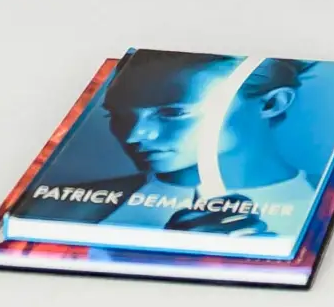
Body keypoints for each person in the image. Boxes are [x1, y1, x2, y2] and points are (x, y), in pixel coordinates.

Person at [52, 53, 320, 239]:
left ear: (270, 104)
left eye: (172, 112)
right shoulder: (57, 209)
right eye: (119, 115)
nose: (133, 135)